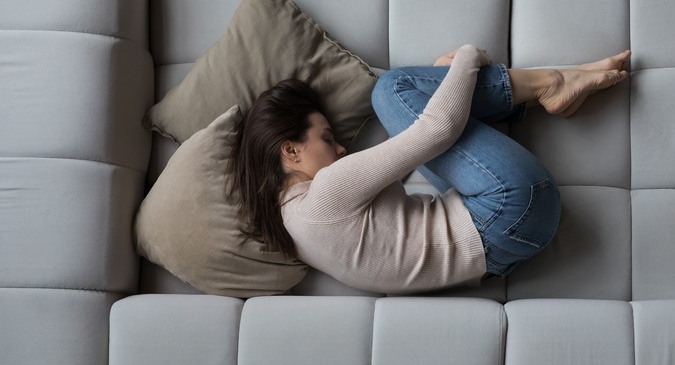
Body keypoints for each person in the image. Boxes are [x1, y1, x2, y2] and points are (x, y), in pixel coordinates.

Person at [228, 45, 630, 294]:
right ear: (291, 151)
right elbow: (436, 131)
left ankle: (556, 83)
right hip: (512, 206)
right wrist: (470, 57)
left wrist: (442, 89)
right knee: (392, 89)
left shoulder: (291, 226)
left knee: (414, 105)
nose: (341, 147)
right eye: (327, 138)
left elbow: (405, 154)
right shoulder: (328, 190)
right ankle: (553, 81)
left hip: (498, 256)